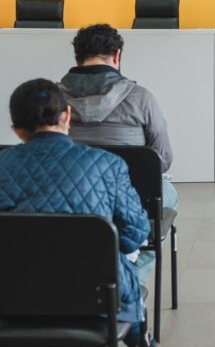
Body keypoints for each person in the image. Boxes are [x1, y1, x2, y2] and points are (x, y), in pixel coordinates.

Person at [0, 79, 155, 346]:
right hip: (96, 298)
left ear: (17, 131)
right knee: (124, 271)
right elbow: (136, 233)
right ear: (68, 115)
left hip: (11, 298)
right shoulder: (109, 164)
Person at [59, 23, 177, 214]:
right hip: (129, 197)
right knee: (168, 192)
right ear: (117, 55)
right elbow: (162, 159)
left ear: (77, 59)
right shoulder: (141, 97)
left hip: (67, 197)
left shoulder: (50, 99)